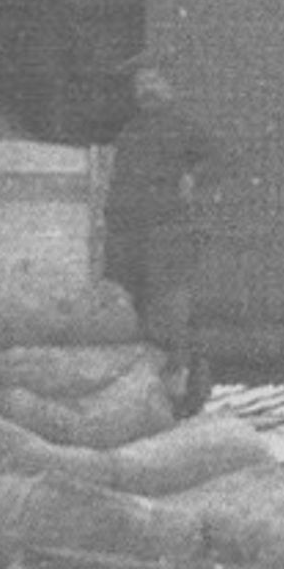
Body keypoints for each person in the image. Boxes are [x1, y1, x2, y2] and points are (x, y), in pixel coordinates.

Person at [104, 50, 221, 416]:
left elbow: (218, 157)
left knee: (170, 315)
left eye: (153, 81)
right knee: (133, 316)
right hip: (130, 237)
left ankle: (179, 393)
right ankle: (145, 399)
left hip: (169, 234)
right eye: (140, 84)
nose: (146, 90)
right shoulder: (130, 131)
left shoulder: (185, 125)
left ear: (168, 85)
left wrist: (193, 176)